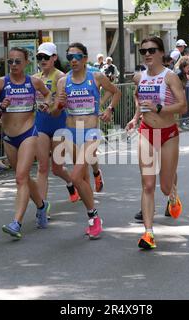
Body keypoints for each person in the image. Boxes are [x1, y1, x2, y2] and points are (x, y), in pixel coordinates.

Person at [52, 42, 121, 240]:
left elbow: (116, 91)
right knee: (81, 179)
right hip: (71, 131)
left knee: (74, 178)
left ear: (85, 58)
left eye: (77, 56)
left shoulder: (96, 77)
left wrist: (107, 108)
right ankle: (93, 217)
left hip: (90, 131)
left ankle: (94, 216)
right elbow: (57, 110)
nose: (73, 60)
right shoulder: (63, 82)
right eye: (70, 57)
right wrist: (59, 103)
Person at [0, 47, 53, 239]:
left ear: (26, 63)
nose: (13, 65)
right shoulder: (1, 83)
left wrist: (45, 104)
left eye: (17, 61)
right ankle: (41, 205)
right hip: (9, 137)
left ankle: (16, 222)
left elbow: (48, 94)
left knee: (21, 177)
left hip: (28, 134)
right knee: (23, 178)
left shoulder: (34, 82)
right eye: (10, 61)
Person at [125, 36, 186, 249]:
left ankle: (173, 194)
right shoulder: (138, 77)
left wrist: (159, 108)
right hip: (146, 132)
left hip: (168, 134)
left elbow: (183, 107)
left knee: (165, 186)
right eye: (144, 52)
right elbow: (137, 96)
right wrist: (135, 118)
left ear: (161, 53)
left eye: (152, 50)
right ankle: (148, 233)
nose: (148, 55)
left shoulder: (170, 77)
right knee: (148, 184)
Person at [33, 42, 80, 203]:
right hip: (41, 124)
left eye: (46, 57)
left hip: (59, 123)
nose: (42, 60)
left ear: (54, 58)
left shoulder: (61, 77)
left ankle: (70, 183)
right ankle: (42, 207)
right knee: (42, 167)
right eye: (39, 57)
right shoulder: (35, 78)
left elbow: (67, 100)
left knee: (57, 168)